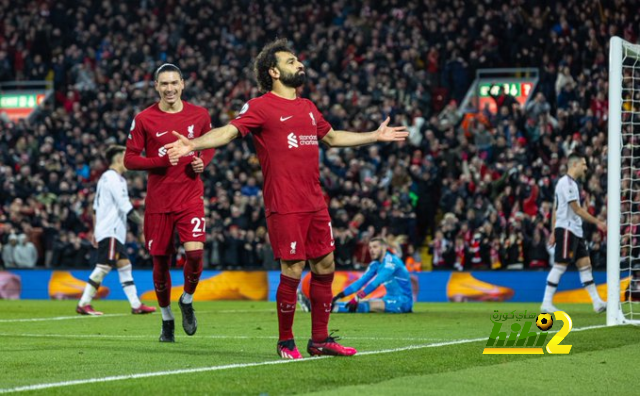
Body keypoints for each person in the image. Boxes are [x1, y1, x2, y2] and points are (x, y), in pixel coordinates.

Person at [165, 39, 408, 359]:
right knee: (292, 269)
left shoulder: (308, 107)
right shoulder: (260, 106)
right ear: (274, 71)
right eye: (292, 61)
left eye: (297, 60)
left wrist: (373, 136)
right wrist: (193, 145)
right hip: (285, 203)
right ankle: (286, 342)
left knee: (326, 266)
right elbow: (229, 131)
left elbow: (333, 138)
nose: (299, 64)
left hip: (315, 202)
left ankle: (319, 340)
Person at [124, 64, 215, 342]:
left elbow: (208, 145)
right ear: (156, 87)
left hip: (189, 196)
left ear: (183, 84)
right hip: (159, 202)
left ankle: (186, 299)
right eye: (164, 84)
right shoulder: (144, 119)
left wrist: (203, 162)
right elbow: (129, 159)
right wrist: (160, 161)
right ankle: (167, 320)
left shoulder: (200, 115)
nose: (170, 88)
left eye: (174, 83)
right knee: (160, 263)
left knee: (195, 254)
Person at [77, 145, 156, 316]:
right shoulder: (115, 179)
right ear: (120, 158)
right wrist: (143, 222)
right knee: (104, 266)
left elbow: (96, 208)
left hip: (108, 230)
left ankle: (136, 305)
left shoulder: (105, 178)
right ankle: (83, 303)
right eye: (127, 157)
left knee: (125, 266)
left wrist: (96, 231)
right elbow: (124, 206)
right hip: (112, 230)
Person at [541, 153, 607, 313]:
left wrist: (552, 231)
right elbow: (576, 209)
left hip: (575, 230)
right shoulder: (567, 183)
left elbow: (556, 209)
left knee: (585, 266)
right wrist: (598, 222)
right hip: (567, 229)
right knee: (560, 265)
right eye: (584, 164)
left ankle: (597, 302)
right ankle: (546, 303)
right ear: (575, 164)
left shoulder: (570, 184)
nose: (586, 168)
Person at [300, 237, 413, 314]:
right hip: (388, 297)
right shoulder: (375, 264)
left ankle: (319, 308)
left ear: (383, 248)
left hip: (402, 301)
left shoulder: (391, 262)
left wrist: (357, 298)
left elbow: (376, 283)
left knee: (366, 304)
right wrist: (338, 296)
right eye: (370, 247)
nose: (371, 250)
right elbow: (361, 282)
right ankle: (323, 306)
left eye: (375, 247)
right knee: (363, 303)